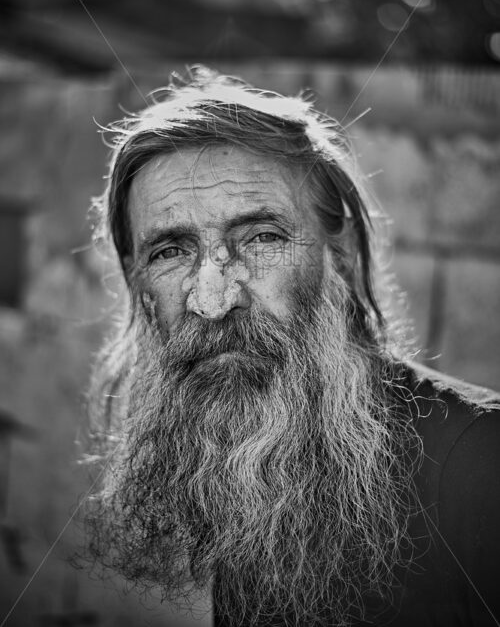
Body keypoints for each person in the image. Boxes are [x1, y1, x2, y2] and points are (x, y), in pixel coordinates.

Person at [85, 67, 500, 627]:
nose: (211, 299)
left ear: (343, 255)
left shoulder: (483, 466)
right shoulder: (249, 456)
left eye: (262, 238)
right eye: (170, 252)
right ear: (139, 287)